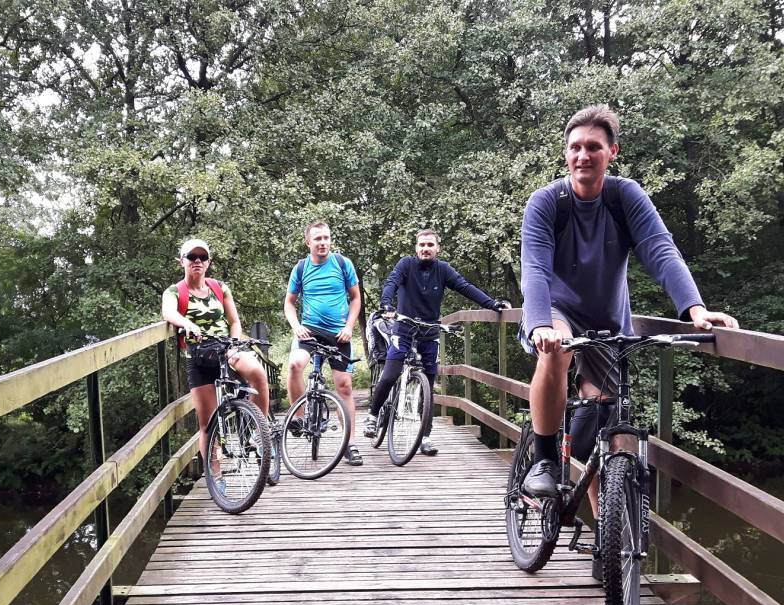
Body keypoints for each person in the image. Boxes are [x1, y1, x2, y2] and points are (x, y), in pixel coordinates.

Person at [519, 105, 738, 521]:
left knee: (610, 427)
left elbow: (660, 249)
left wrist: (695, 309)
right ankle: (545, 459)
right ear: (565, 153)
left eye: (593, 147)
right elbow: (535, 269)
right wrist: (541, 325)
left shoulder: (624, 196)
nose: (583, 155)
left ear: (612, 152)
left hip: (607, 321)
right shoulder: (547, 202)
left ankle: (609, 538)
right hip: (556, 311)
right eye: (575, 147)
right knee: (556, 350)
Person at [363, 229, 509, 455]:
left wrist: (492, 304)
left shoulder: (443, 269)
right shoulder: (406, 265)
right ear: (416, 247)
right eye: (422, 245)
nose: (425, 248)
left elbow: (465, 287)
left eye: (430, 245)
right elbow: (392, 282)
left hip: (430, 331)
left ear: (438, 248)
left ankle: (425, 438)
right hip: (403, 329)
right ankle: (373, 416)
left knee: (428, 388)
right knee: (390, 375)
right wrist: (386, 304)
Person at [161, 238, 270, 467]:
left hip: (226, 348)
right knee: (208, 424)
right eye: (192, 257)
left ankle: (260, 433)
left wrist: (234, 343)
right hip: (198, 356)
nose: (197, 261)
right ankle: (216, 475)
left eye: (202, 257)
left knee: (258, 373)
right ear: (182, 261)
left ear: (208, 262)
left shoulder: (219, 288)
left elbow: (234, 322)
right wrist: (187, 324)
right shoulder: (174, 291)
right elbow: (168, 311)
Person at [284, 221, 364, 466]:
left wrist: (349, 327)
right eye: (317, 239)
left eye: (326, 238)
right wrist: (296, 326)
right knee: (295, 365)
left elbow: (356, 298)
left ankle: (350, 443)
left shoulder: (342, 263)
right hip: (309, 331)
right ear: (308, 242)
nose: (322, 243)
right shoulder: (301, 268)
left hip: (339, 333)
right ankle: (299, 417)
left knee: (344, 386)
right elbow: (289, 303)